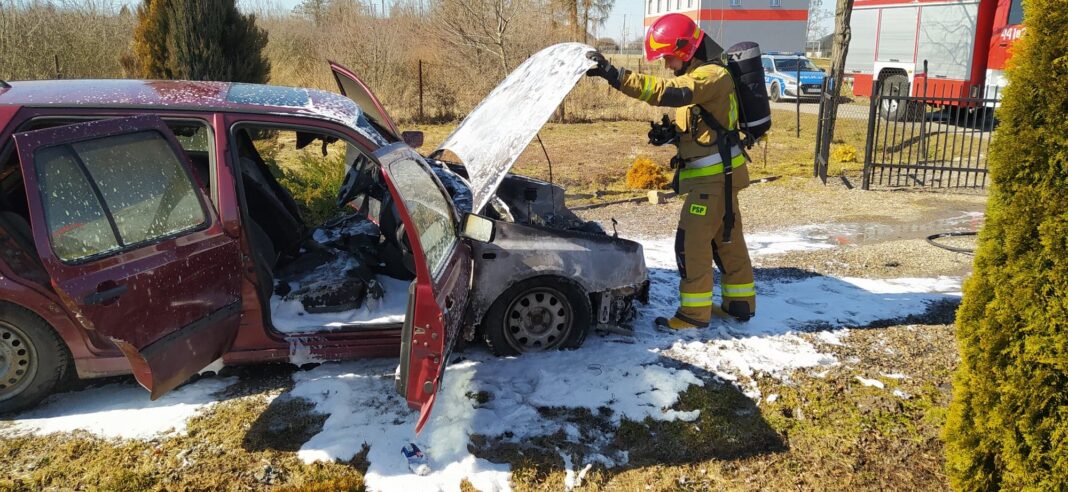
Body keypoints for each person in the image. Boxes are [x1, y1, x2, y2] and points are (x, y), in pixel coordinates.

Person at [585, 13, 756, 329]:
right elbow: (707, 125)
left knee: (691, 244)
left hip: (713, 181)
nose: (665, 64)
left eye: (668, 57)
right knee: (727, 241)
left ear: (686, 48)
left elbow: (668, 91)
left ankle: (693, 315)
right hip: (722, 178)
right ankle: (740, 305)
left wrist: (616, 75)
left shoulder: (709, 76)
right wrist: (674, 135)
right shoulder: (703, 73)